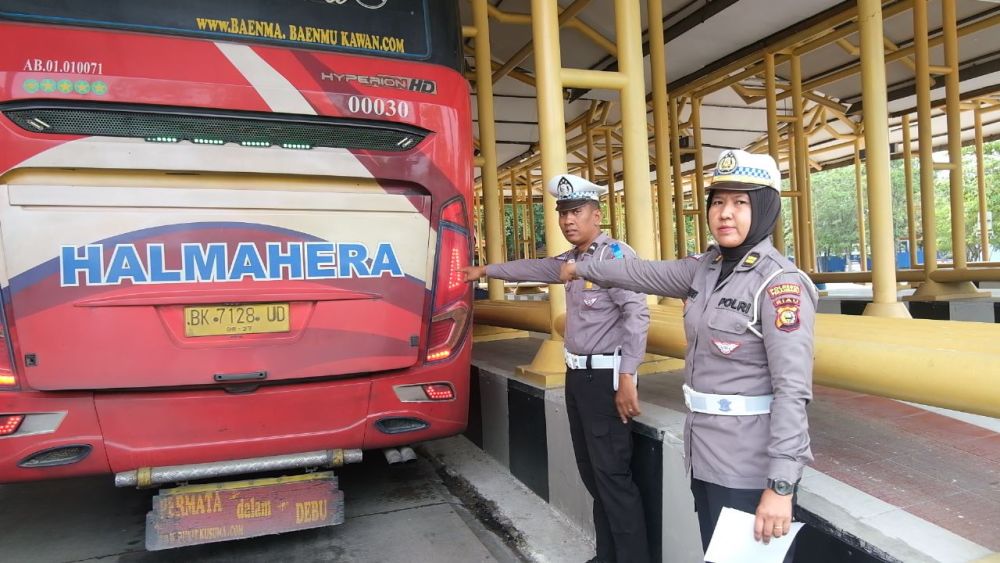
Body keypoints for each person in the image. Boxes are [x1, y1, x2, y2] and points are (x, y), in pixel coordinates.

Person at [561, 150, 816, 560]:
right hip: (705, 455)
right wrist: (584, 267)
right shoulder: (706, 269)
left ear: (766, 207)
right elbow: (640, 272)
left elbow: (793, 390)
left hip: (749, 464)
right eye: (718, 201)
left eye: (740, 202)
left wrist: (781, 486)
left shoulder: (779, 284)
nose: (725, 213)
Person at [462, 173, 651, 563]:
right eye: (563, 212)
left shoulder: (613, 257)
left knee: (613, 477)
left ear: (597, 216)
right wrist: (485, 272)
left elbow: (637, 316)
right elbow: (532, 268)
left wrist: (628, 377)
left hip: (606, 379)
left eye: (577, 211)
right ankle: (608, 556)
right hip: (578, 377)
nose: (568, 220)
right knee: (594, 475)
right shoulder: (571, 260)